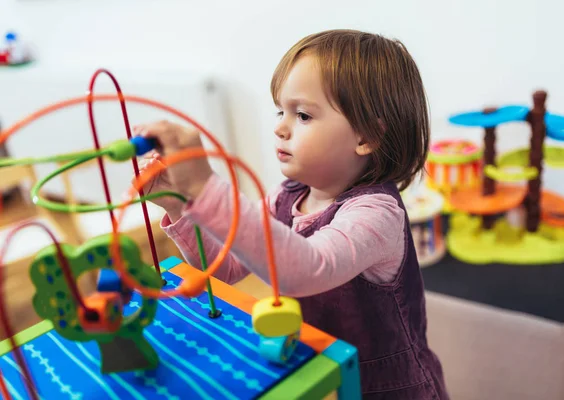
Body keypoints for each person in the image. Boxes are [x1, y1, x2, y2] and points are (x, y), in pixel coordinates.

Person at [135, 29, 448, 399]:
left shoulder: (377, 214)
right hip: (322, 363)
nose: (280, 127)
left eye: (302, 115)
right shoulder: (286, 196)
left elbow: (306, 268)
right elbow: (228, 267)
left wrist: (206, 187)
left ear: (366, 137)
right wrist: (179, 203)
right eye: (280, 110)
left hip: (392, 386)